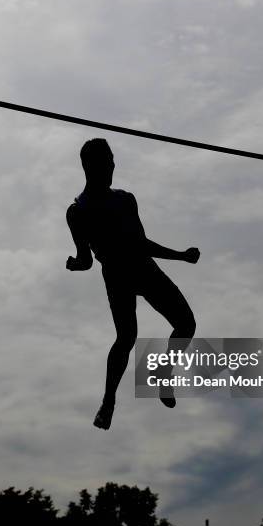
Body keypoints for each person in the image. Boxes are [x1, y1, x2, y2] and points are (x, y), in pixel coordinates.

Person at [66, 138, 199, 430]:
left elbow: (140, 244)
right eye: (107, 161)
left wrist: (180, 256)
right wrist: (75, 264)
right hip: (118, 276)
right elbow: (86, 259)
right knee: (127, 338)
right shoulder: (78, 212)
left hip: (143, 268)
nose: (113, 166)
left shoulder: (125, 199)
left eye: (113, 160)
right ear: (90, 166)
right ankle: (108, 401)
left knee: (186, 324)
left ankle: (164, 371)